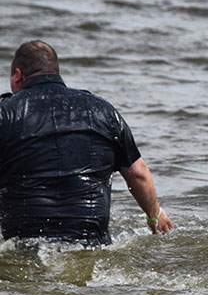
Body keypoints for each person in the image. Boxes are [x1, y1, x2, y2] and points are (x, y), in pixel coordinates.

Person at [0, 40, 174, 246]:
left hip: (25, 242)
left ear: (18, 75)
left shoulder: (5, 113)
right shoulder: (102, 111)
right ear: (56, 72)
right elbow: (138, 173)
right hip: (91, 241)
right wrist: (155, 216)